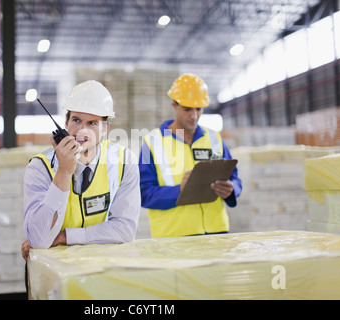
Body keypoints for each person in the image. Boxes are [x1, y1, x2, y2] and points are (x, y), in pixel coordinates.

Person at [21, 80, 140, 262]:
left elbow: (125, 229)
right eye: (76, 120)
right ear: (66, 123)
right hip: (55, 271)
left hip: (103, 266)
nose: (82, 131)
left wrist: (65, 236)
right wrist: (63, 172)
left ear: (104, 129)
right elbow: (40, 239)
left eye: (92, 123)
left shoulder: (124, 162)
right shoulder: (39, 167)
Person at [139, 73, 242, 238]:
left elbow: (236, 179)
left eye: (199, 109)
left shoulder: (214, 138)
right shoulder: (152, 143)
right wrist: (179, 190)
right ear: (174, 105)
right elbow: (143, 194)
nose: (194, 116)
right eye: (187, 109)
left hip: (216, 233)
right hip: (174, 238)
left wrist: (231, 190)